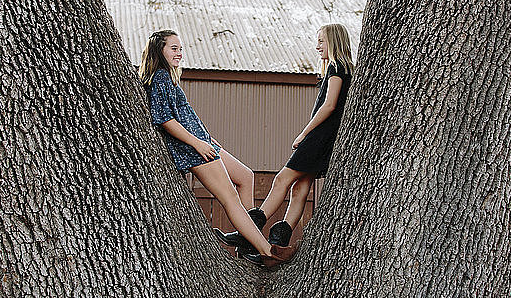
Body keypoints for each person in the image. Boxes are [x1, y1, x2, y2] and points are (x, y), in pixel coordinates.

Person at [140, 29, 298, 266]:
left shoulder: (170, 77)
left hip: (204, 142)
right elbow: (165, 119)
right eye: (174, 48)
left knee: (246, 175)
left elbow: (186, 116)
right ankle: (267, 252)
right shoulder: (160, 77)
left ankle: (246, 241)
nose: (179, 53)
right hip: (192, 148)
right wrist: (199, 144)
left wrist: (209, 139)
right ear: (158, 50)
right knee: (230, 198)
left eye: (181, 48)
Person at [216, 24, 354, 255]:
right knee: (300, 189)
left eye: (322, 41)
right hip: (328, 140)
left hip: (319, 137)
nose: (317, 46)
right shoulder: (344, 68)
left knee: (281, 180)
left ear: (334, 41)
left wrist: (304, 133)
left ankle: (247, 233)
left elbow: (329, 106)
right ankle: (278, 244)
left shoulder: (336, 67)